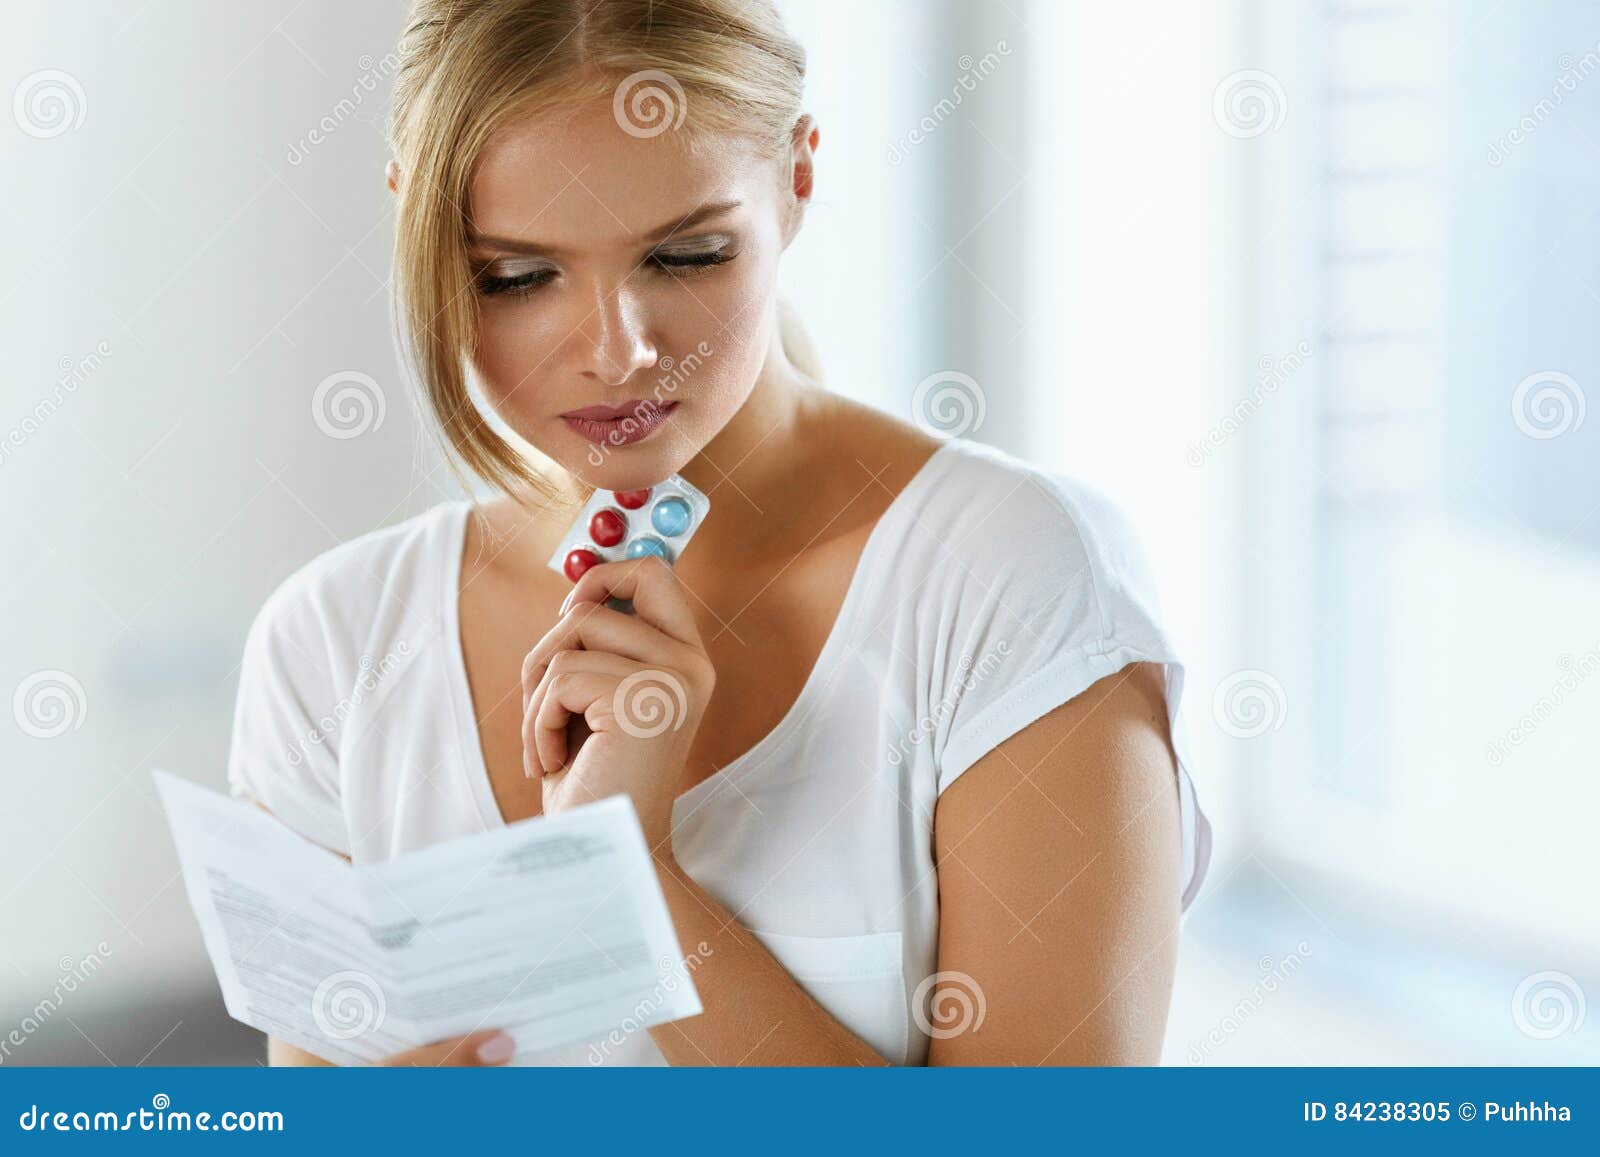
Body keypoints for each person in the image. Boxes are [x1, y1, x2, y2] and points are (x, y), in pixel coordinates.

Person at [230, 0, 1212, 1067]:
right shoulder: (333, 644)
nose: (616, 352)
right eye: (515, 275)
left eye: (686, 255)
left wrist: (627, 878)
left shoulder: (1013, 576)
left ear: (796, 178)